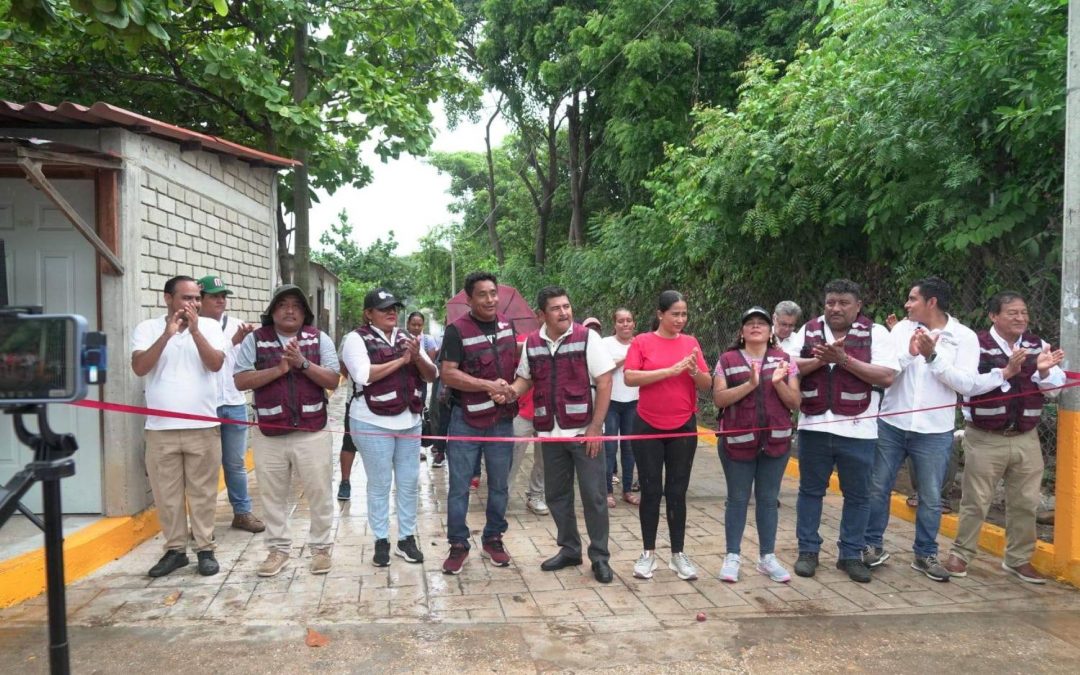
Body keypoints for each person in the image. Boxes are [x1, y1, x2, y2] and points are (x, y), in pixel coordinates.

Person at [942, 291, 1067, 583]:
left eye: (1023, 312)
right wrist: (1006, 371)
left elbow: (1054, 391)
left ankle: (1018, 559)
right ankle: (961, 554)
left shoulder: (1038, 346)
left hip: (1026, 437)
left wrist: (1044, 372)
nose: (1020, 318)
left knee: (1025, 502)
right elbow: (967, 385)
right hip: (985, 436)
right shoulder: (976, 345)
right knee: (976, 500)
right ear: (993, 316)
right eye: (1012, 312)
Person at [863, 277, 979, 582]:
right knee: (878, 488)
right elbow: (886, 373)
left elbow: (967, 385)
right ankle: (871, 545)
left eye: (912, 299)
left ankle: (925, 553)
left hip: (935, 431)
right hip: (891, 424)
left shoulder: (963, 337)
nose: (906, 304)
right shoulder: (900, 330)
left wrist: (933, 357)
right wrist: (911, 353)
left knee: (930, 495)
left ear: (932, 302)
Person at [507, 286, 616, 583]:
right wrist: (508, 393)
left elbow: (605, 382)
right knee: (557, 496)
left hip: (584, 433)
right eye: (556, 308)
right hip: (550, 435)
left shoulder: (587, 338)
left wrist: (595, 427)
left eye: (566, 306)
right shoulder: (532, 342)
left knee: (594, 497)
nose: (564, 312)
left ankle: (600, 557)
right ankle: (569, 549)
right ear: (541, 314)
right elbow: (524, 380)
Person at [793, 279, 898, 583]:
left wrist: (844, 360)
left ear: (858, 306)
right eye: (830, 302)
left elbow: (887, 375)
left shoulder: (876, 333)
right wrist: (818, 360)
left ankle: (851, 554)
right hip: (813, 427)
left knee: (858, 495)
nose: (835, 308)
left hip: (859, 432)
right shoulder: (809, 330)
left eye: (843, 303)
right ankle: (808, 551)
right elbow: (787, 365)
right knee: (810, 492)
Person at [234, 285, 340, 577]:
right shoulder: (256, 340)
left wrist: (302, 363)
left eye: (296, 305)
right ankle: (277, 550)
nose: (290, 310)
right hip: (269, 432)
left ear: (305, 312)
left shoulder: (319, 339)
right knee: (272, 495)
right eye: (283, 304)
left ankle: (320, 548)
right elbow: (241, 380)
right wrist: (279, 370)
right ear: (272, 311)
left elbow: (333, 380)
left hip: (313, 431)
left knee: (319, 492)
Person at [131, 275, 228, 577]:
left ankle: (205, 549)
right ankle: (175, 551)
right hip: (161, 430)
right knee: (167, 496)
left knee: (203, 493)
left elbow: (215, 363)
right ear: (167, 299)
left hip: (203, 427)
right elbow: (139, 367)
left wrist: (196, 331)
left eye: (197, 298)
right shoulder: (147, 328)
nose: (194, 304)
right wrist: (167, 335)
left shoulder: (211, 326)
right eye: (187, 298)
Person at [340, 288, 438, 567]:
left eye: (393, 307)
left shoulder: (408, 338)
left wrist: (417, 357)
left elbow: (432, 374)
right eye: (383, 308)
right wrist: (402, 361)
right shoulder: (356, 339)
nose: (391, 312)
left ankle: (406, 539)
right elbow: (363, 375)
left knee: (409, 482)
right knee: (380, 483)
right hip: (371, 421)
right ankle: (381, 540)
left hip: (409, 420)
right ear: (368, 314)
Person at [623, 290, 712, 581]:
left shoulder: (691, 343)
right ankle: (648, 554)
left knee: (677, 492)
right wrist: (669, 370)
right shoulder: (642, 341)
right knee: (651, 491)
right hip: (647, 424)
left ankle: (678, 555)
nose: (680, 319)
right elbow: (630, 376)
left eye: (684, 314)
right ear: (660, 314)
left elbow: (706, 384)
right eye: (675, 313)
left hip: (683, 426)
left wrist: (691, 371)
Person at [438, 271, 518, 574]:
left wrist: (508, 390)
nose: (490, 299)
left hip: (502, 420)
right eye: (482, 294)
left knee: (500, 485)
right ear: (469, 299)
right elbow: (448, 373)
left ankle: (494, 538)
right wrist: (487, 385)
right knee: (459, 487)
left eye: (493, 293)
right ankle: (458, 544)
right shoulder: (456, 330)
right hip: (465, 419)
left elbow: (514, 366)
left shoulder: (506, 326)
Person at [713, 307, 801, 583]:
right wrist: (751, 383)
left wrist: (778, 384)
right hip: (737, 442)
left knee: (767, 499)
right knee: (737, 499)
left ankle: (767, 557)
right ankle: (732, 556)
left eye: (761, 323)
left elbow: (795, 403)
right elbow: (719, 399)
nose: (755, 327)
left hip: (775, 441)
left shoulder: (785, 361)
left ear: (770, 330)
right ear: (741, 332)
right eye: (749, 323)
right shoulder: (726, 360)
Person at [196, 275, 265, 534]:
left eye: (223, 296)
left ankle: (242, 513)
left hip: (234, 403)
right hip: (205, 406)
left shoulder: (239, 326)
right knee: (204, 467)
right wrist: (232, 341)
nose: (221, 300)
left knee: (235, 463)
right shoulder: (194, 328)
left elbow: (250, 362)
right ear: (200, 299)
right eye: (214, 296)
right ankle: (204, 522)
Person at [602, 308, 640, 507]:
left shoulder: (641, 343)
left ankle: (627, 490)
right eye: (621, 321)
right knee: (609, 448)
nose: (625, 324)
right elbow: (603, 368)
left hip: (633, 402)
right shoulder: (605, 344)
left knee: (629, 448)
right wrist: (627, 358)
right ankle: (607, 491)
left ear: (634, 323)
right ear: (614, 324)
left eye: (629, 320)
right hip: (610, 402)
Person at [507, 332, 548, 515]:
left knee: (543, 460)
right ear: (540, 315)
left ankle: (536, 495)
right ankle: (503, 495)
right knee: (512, 457)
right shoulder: (528, 340)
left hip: (548, 413)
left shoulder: (563, 343)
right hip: (523, 411)